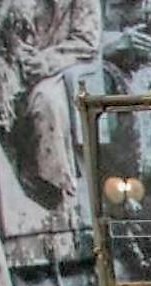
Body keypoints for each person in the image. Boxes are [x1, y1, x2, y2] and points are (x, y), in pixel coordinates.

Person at [0, 0, 101, 214]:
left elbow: (87, 41)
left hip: (59, 70)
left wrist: (46, 61)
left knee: (45, 103)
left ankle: (52, 194)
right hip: (11, 64)